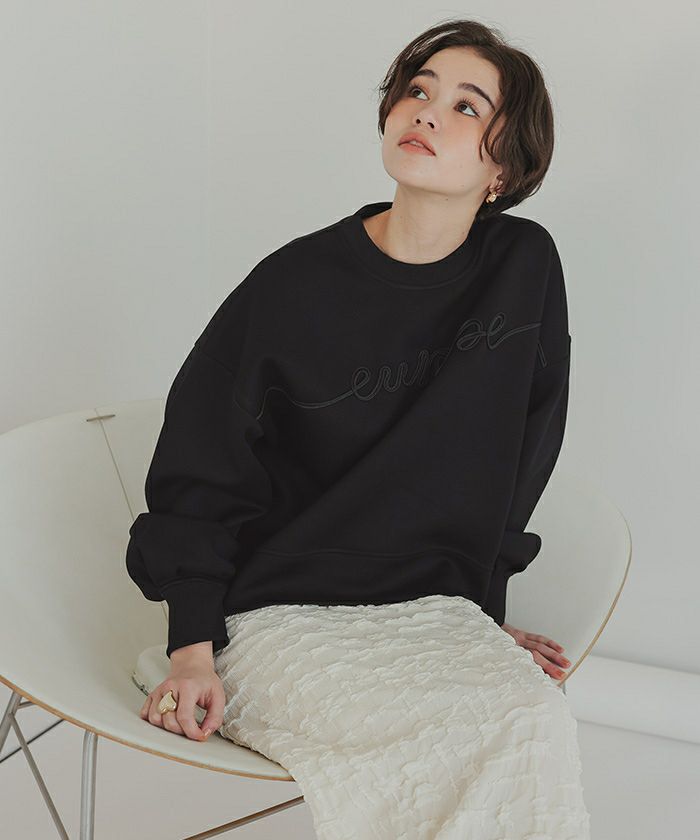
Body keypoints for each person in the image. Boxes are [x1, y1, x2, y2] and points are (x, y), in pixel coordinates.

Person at [126, 17, 591, 839]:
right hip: (280, 612)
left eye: (466, 106)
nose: (427, 111)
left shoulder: (524, 268)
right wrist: (192, 645)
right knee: (446, 740)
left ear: (504, 167)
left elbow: (521, 455)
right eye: (418, 90)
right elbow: (201, 468)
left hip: (430, 610)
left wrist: (480, 619)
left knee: (532, 719)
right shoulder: (291, 286)